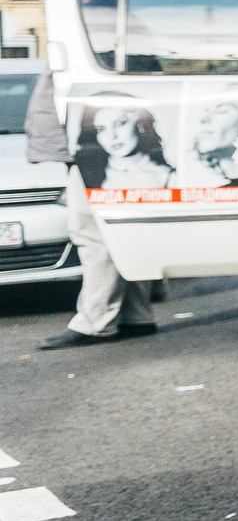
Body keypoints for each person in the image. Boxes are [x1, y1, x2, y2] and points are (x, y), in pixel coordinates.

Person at [28, 68, 156, 348]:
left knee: (92, 234)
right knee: (123, 231)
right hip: (88, 147)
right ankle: (137, 314)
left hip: (85, 149)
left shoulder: (79, 40)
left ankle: (94, 321)